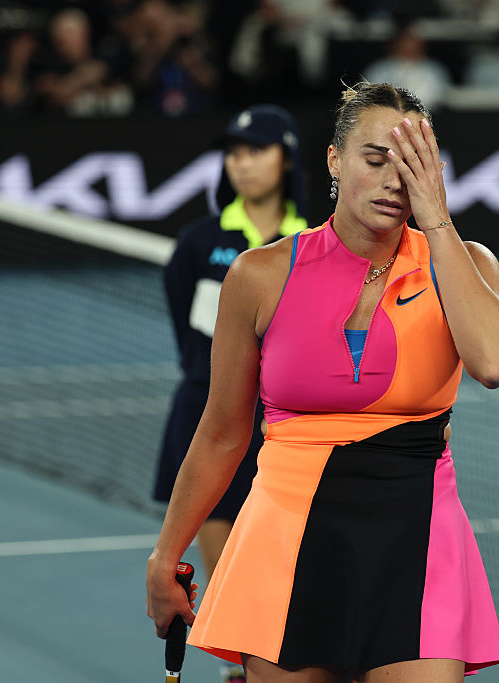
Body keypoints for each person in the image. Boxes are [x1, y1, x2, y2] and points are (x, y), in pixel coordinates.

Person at [146, 81, 499, 682]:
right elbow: (221, 432)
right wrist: (166, 555)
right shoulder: (259, 276)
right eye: (375, 159)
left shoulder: (468, 266)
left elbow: (496, 363)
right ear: (334, 159)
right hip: (286, 543)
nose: (391, 180)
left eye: (409, 164)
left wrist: (439, 223)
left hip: (417, 544)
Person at [152, 103, 308, 683]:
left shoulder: (315, 241)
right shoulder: (198, 244)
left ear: (287, 159)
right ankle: (239, 663)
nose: (242, 164)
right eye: (234, 153)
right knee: (227, 576)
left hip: (288, 424)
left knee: (283, 570)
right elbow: (187, 333)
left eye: (257, 150)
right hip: (209, 411)